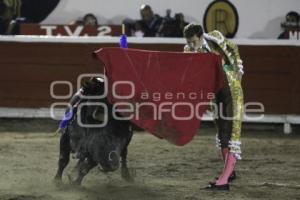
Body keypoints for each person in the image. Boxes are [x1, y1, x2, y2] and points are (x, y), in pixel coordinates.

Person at [183, 23, 244, 190]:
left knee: (232, 132)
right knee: (222, 133)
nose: (191, 46)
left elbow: (232, 48)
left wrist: (238, 69)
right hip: (215, 94)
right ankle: (229, 172)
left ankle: (224, 181)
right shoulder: (188, 52)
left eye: (194, 41)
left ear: (201, 36)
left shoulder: (214, 38)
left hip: (232, 88)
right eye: (188, 42)